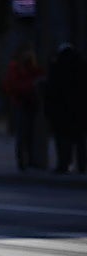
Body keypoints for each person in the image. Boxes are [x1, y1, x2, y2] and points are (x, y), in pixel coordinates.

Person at [44, 43, 87, 174]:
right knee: (80, 140)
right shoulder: (81, 66)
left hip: (61, 111)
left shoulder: (57, 67)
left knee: (63, 140)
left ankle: (63, 165)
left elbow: (52, 89)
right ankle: (82, 166)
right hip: (80, 110)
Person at [3, 45, 45, 171]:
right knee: (23, 134)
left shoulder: (32, 69)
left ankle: (30, 160)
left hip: (30, 103)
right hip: (22, 103)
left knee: (30, 134)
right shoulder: (16, 69)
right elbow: (12, 85)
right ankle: (23, 162)